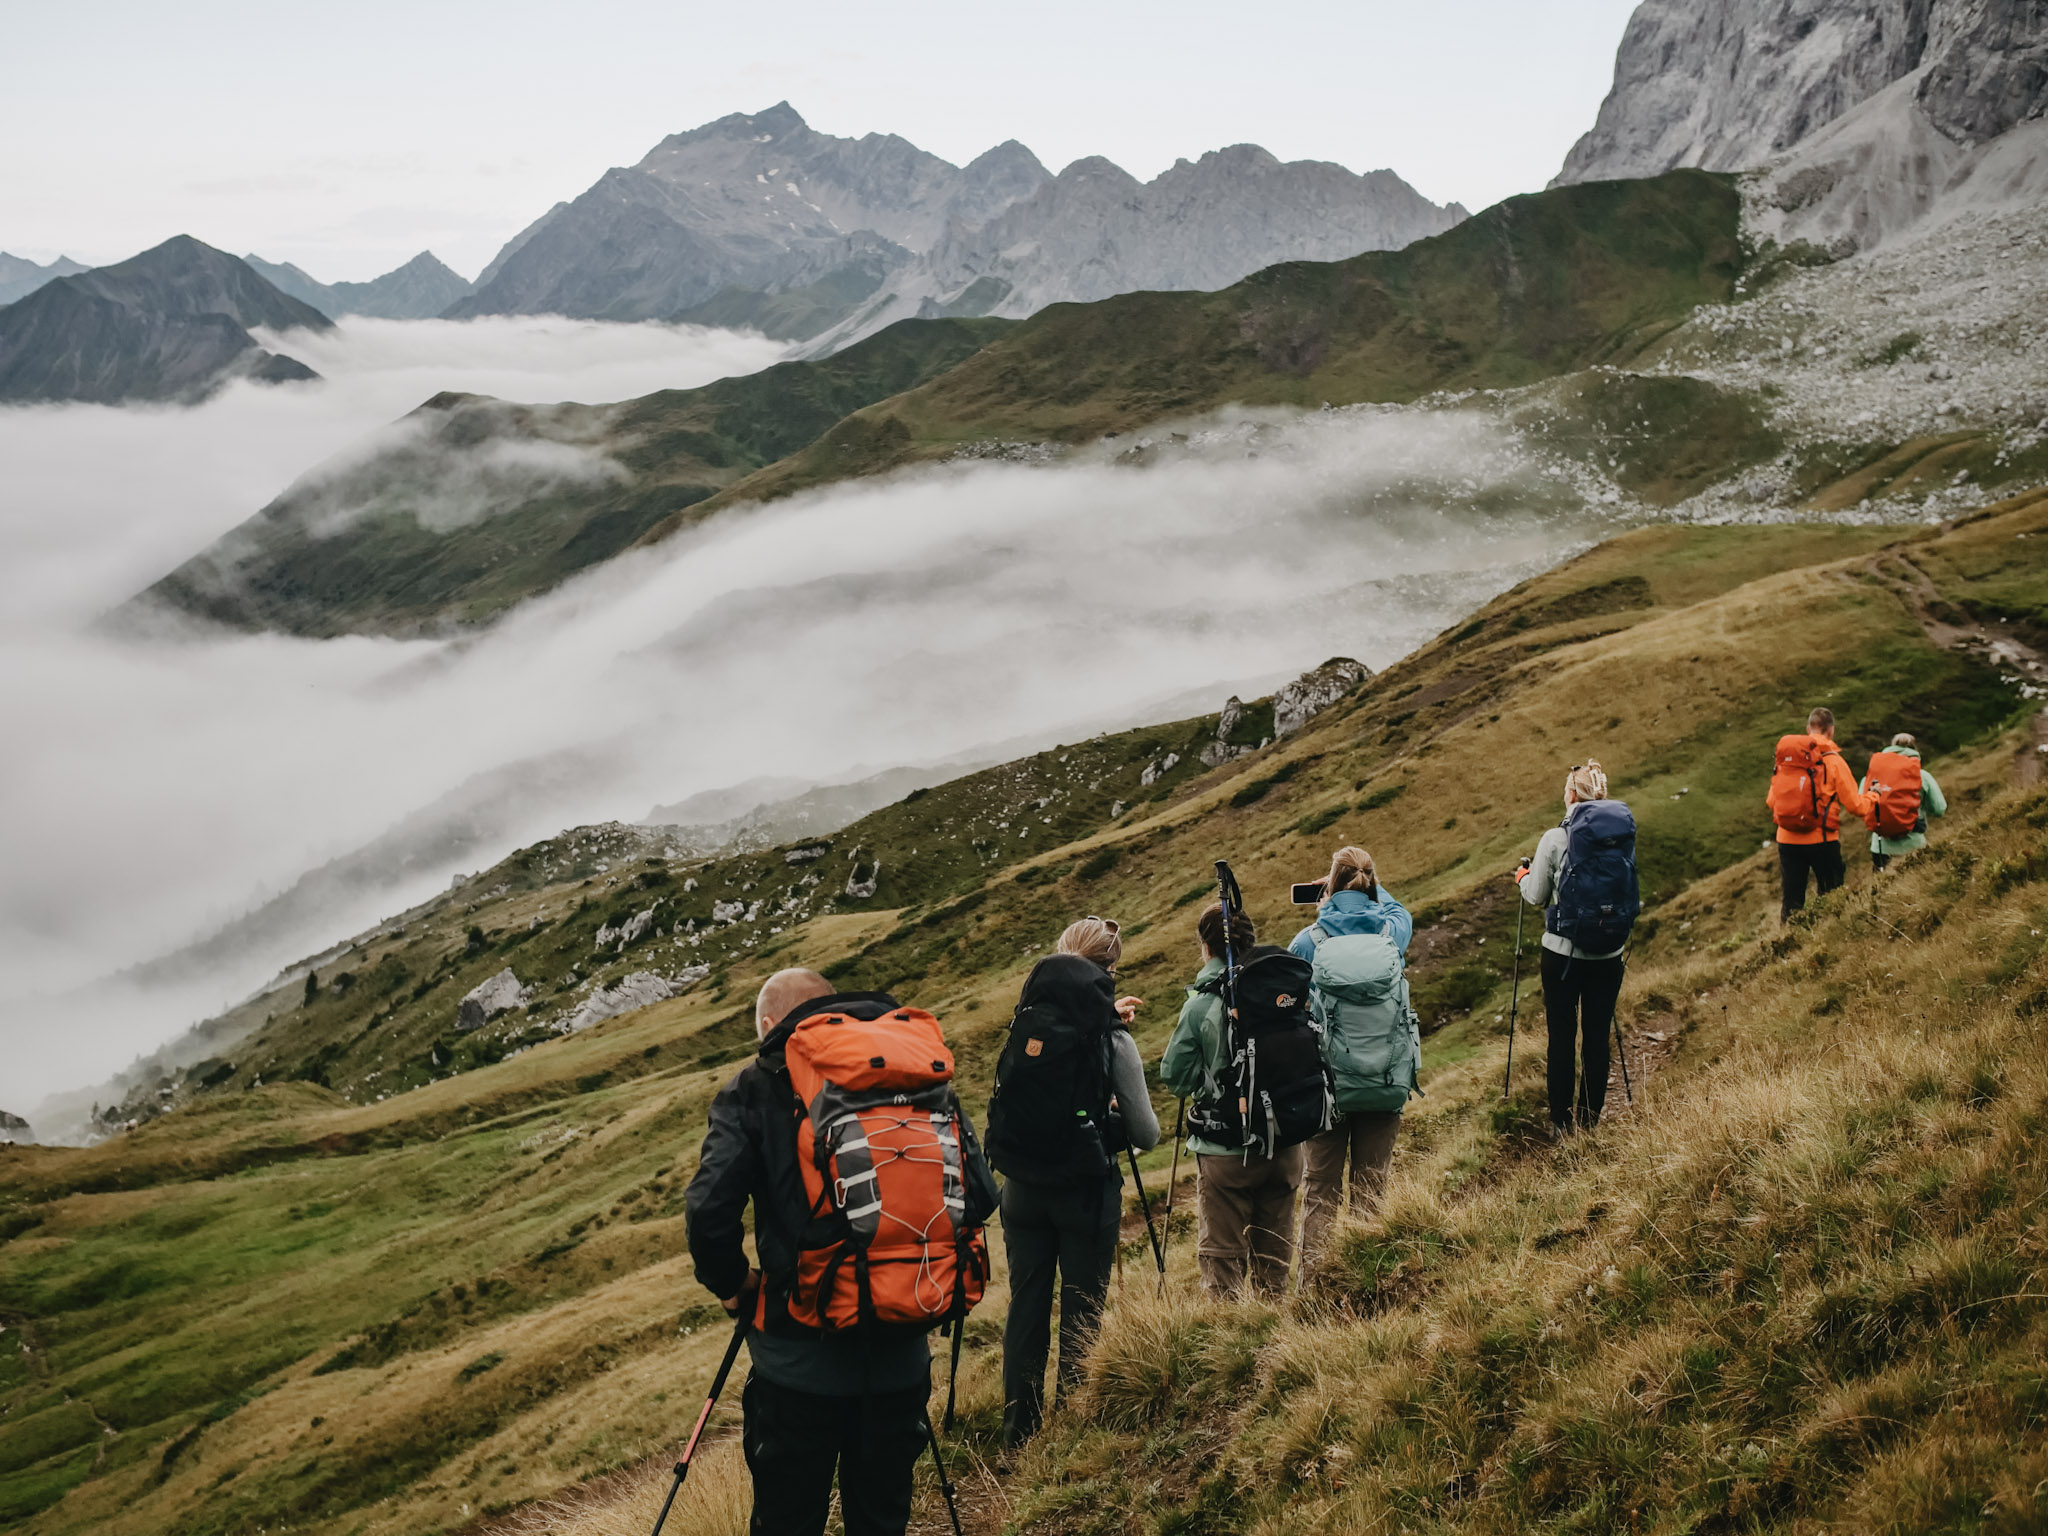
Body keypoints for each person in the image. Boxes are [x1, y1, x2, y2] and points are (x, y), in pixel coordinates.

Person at [686, 968, 991, 1536]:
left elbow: (708, 1215)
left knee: (787, 1521)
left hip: (797, 1364)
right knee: (881, 1520)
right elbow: (982, 1194)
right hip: (902, 1350)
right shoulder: (917, 1073)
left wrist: (737, 1289)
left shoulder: (755, 1085)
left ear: (771, 1025)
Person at [984, 917, 1160, 1449]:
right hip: (1085, 1192)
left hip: (1020, 1189)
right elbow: (1147, 1135)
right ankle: (1074, 1427)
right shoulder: (1112, 1038)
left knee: (1027, 1302)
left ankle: (1019, 1434)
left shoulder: (1027, 1020)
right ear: (1111, 970)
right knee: (1083, 1303)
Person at [1160, 904, 1306, 1298]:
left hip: (1227, 1151)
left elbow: (1175, 1076)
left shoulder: (1203, 1003)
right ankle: (1274, 1343)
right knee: (1274, 1260)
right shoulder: (1284, 989)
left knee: (1223, 1260)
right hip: (1286, 1143)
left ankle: (1229, 1345)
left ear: (1205, 946)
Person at [1288, 847, 1415, 1261]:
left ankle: (1316, 1296)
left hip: (1327, 1089)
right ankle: (1367, 1286)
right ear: (1372, 884)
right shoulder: (1390, 935)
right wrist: (1368, 883)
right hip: (1384, 1081)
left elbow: (1290, 1006)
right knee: (1372, 1186)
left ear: (1329, 885)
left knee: (1320, 1190)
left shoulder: (1309, 942)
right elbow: (1400, 912)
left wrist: (1329, 901)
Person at [1516, 762, 1637, 1135]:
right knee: (1597, 1036)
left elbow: (1537, 896)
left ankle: (1560, 1122)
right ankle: (1590, 1120)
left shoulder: (1554, 838)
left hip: (1562, 954)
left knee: (1562, 1035)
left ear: (1571, 794)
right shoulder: (1621, 836)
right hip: (1609, 953)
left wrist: (1522, 877)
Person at [1769, 706, 1871, 920]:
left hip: (1787, 841)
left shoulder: (1788, 761)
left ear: (1808, 729)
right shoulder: (1834, 761)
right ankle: (1827, 941)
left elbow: (1771, 801)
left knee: (1792, 901)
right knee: (1831, 896)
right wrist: (1875, 797)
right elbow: (1856, 807)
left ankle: (1787, 949)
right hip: (1822, 840)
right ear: (1831, 731)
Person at [1862, 732, 1947, 871]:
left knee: (1882, 888)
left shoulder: (1872, 776)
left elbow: (1861, 804)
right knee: (1913, 888)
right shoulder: (1922, 776)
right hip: (1913, 844)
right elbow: (1940, 808)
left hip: (1880, 847)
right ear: (1914, 750)